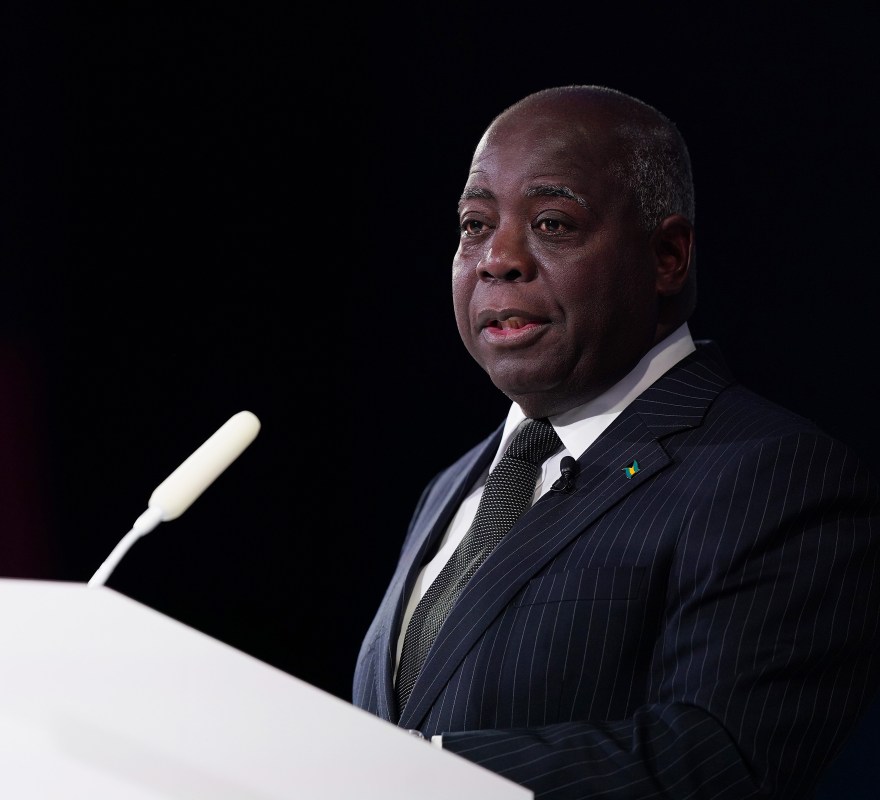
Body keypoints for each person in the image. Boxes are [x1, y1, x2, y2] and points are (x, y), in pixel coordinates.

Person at [352, 85, 880, 799]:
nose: (497, 258)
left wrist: (417, 772)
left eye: (552, 222)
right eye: (475, 224)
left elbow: (719, 759)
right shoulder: (450, 488)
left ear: (666, 256)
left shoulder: (778, 476)